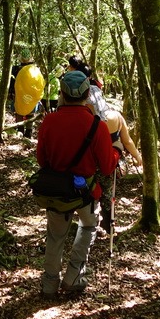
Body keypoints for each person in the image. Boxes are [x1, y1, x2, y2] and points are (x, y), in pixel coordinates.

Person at [36, 70, 123, 296]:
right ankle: (74, 274)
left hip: (56, 191)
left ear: (63, 94)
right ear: (87, 94)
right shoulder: (96, 126)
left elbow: (41, 159)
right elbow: (106, 167)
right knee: (88, 226)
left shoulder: (49, 121)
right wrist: (116, 152)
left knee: (55, 236)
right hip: (85, 190)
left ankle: (49, 284)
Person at [98, 108, 143, 234]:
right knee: (107, 194)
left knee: (92, 190)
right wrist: (137, 156)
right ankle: (108, 226)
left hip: (91, 160)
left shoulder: (89, 116)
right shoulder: (116, 116)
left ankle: (92, 224)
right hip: (109, 160)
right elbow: (127, 141)